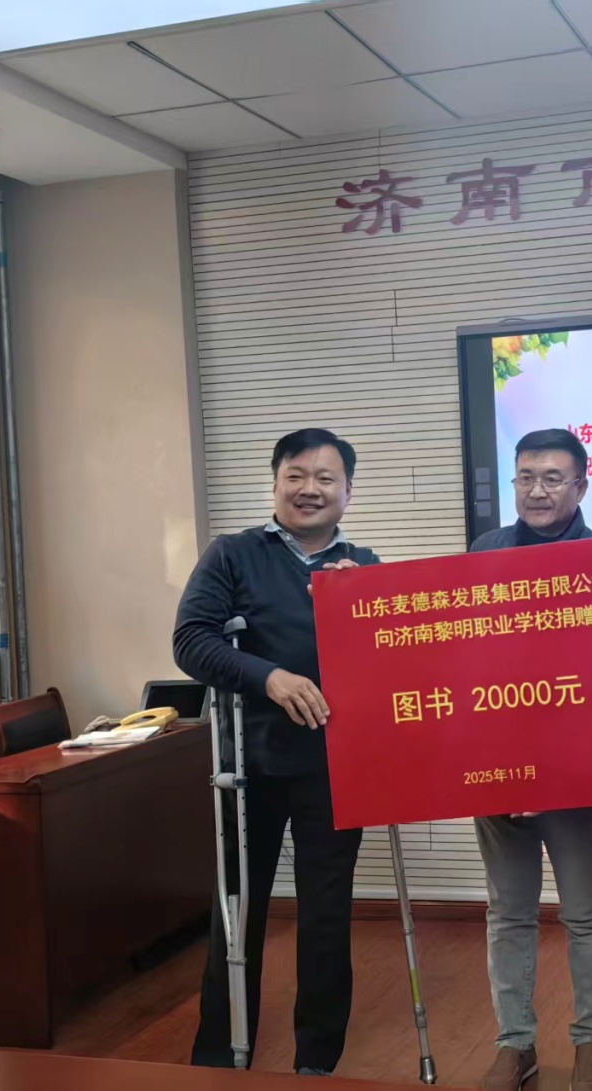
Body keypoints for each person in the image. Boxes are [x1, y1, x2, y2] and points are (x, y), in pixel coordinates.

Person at [174, 428, 379, 1075]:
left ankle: (317, 1062)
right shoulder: (234, 554)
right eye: (296, 475)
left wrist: (365, 606)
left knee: (326, 917)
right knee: (236, 915)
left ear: (347, 491)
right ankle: (220, 1056)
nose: (309, 488)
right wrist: (269, 678)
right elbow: (192, 640)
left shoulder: (364, 563)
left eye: (325, 478)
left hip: (333, 768)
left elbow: (389, 662)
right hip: (249, 767)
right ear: (275, 483)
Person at [469, 428, 592, 1091]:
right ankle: (515, 1045)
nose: (536, 490)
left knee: (585, 912)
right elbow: (464, 660)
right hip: (495, 768)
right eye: (525, 476)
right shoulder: (485, 552)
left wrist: (582, 765)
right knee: (508, 912)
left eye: (552, 478)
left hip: (573, 771)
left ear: (580, 486)